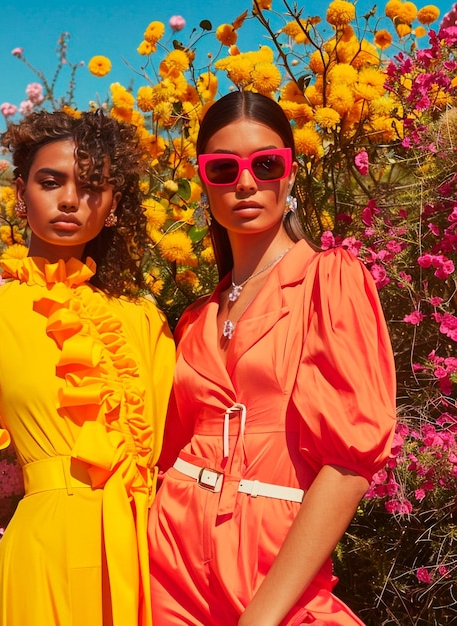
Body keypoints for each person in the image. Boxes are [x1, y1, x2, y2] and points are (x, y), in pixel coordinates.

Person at [0, 109, 175, 626]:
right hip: (42, 568)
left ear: (113, 205)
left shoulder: (146, 322)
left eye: (93, 186)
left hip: (145, 570)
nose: (70, 200)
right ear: (21, 194)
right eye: (51, 182)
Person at [147, 90, 396, 626]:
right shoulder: (193, 319)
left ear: (289, 172)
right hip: (168, 570)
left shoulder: (330, 281)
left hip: (272, 568)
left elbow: (349, 464)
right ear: (203, 180)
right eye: (222, 167)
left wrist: (260, 616)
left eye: (265, 163)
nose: (244, 182)